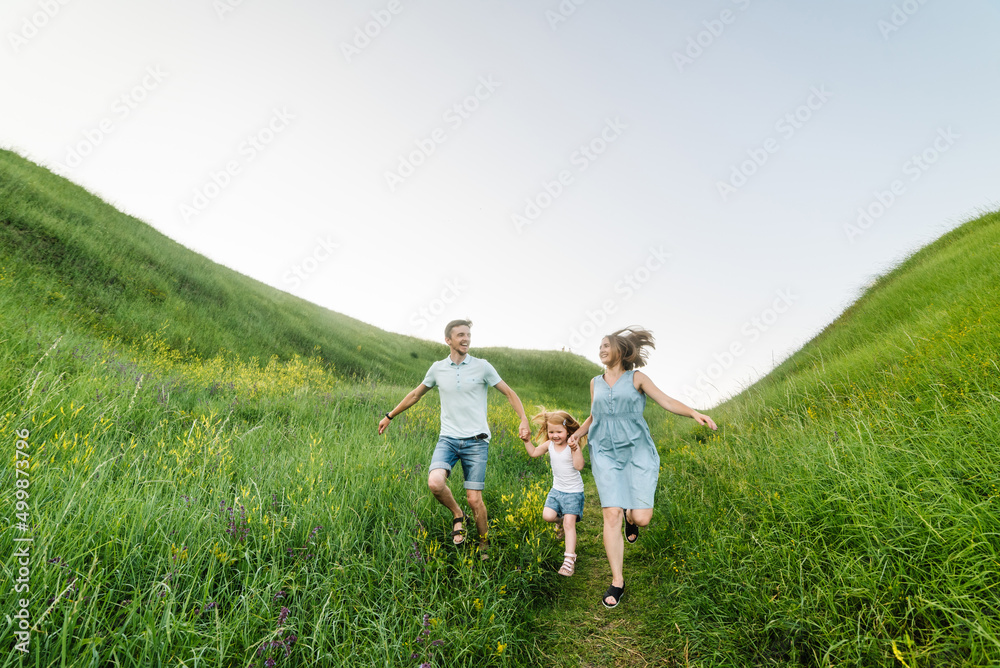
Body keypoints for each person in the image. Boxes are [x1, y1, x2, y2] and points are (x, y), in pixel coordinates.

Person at [568, 327, 717, 608]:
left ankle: (631, 517)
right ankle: (617, 581)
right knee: (609, 514)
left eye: (606, 345)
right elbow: (594, 414)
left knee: (643, 517)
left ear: (622, 351)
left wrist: (694, 412)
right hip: (605, 453)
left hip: (637, 452)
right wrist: (579, 434)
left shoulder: (637, 378)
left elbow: (666, 400)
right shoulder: (594, 382)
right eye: (599, 345)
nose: (600, 349)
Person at [378, 319, 530, 558]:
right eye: (460, 335)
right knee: (435, 483)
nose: (466, 339)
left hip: (477, 442)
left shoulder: (482, 366)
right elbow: (416, 394)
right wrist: (390, 415)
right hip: (448, 439)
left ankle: (483, 546)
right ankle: (457, 514)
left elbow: (509, 392)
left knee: (475, 499)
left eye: (468, 334)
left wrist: (523, 418)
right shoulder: (438, 368)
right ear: (448, 340)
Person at [520, 407, 586, 576]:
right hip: (556, 490)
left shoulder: (572, 446)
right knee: (548, 516)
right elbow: (534, 453)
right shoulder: (549, 444)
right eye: (551, 432)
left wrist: (576, 449)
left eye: (559, 432)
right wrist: (527, 441)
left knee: (569, 524)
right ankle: (561, 521)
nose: (555, 435)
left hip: (573, 492)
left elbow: (579, 467)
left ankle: (569, 560)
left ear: (568, 430)